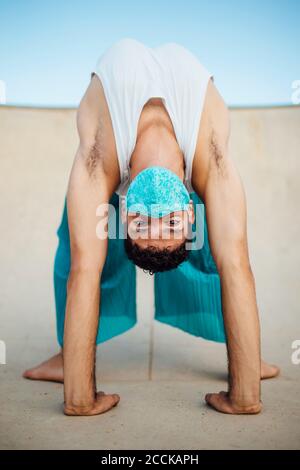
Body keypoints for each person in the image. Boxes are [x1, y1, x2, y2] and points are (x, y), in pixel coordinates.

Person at [23, 38, 279, 416]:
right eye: (171, 222)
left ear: (123, 215)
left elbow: (84, 272)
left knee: (82, 251)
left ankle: (245, 356)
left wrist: (81, 401)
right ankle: (245, 361)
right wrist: (244, 395)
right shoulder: (209, 156)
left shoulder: (101, 154)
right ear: (190, 213)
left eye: (145, 224)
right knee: (84, 249)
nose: (158, 215)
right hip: (180, 94)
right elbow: (237, 266)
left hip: (118, 114)